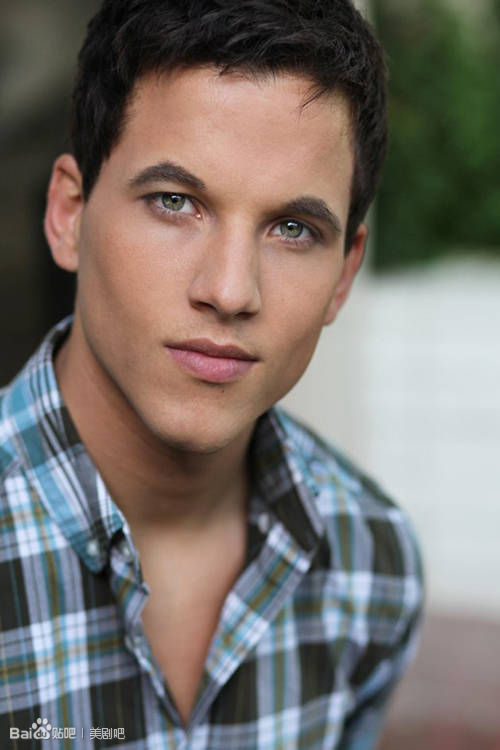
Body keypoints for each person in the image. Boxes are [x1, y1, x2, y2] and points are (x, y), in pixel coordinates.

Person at [0, 1, 424, 747]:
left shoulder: (371, 564)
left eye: (292, 229)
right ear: (69, 214)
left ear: (342, 275)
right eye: (175, 202)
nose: (230, 290)